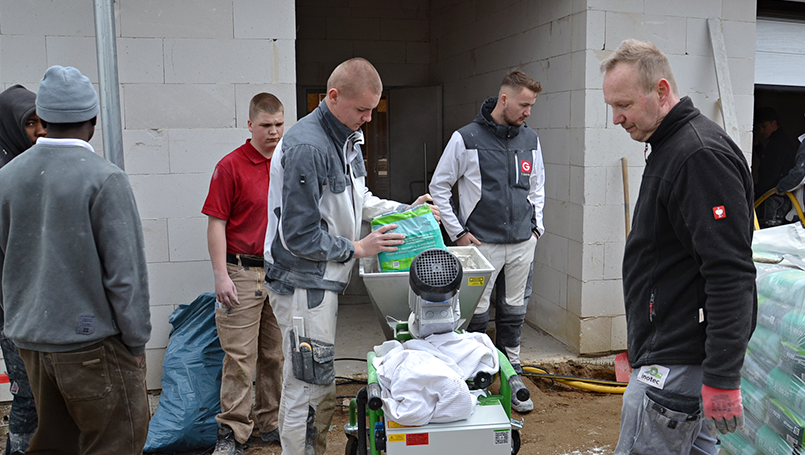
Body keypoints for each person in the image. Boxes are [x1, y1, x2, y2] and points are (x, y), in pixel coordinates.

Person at [264, 57, 438, 455]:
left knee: (316, 380)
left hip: (322, 280)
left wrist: (407, 211)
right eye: (362, 110)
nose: (368, 120)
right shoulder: (308, 146)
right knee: (308, 384)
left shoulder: (347, 138)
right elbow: (298, 234)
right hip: (302, 282)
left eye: (371, 111)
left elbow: (358, 201)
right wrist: (357, 248)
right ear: (334, 96)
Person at [601, 40, 756, 455]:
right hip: (674, 354)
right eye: (611, 106)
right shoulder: (670, 147)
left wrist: (723, 377)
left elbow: (729, 272)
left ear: (662, 91)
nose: (616, 118)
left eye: (624, 105)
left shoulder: (697, 156)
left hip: (676, 364)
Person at [0, 66, 151, 454]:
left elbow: (7, 260)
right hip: (91, 347)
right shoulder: (104, 179)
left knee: (54, 443)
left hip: (31, 344)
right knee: (117, 440)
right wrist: (136, 342)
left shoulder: (8, 177)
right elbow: (125, 276)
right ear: (94, 120)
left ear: (43, 119)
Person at [429, 69, 545, 413]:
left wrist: (537, 229)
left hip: (522, 240)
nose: (528, 112)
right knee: (476, 312)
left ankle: (513, 368)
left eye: (532, 106)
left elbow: (537, 186)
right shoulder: (465, 138)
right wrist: (459, 233)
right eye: (524, 105)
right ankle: (477, 373)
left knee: (514, 308)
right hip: (481, 244)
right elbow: (439, 187)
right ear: (504, 99)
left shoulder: (531, 139)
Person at [202, 92, 285, 455]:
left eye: (280, 124)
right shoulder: (230, 166)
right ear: (250, 125)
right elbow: (216, 224)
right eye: (266, 125)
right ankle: (233, 432)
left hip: (281, 272)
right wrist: (221, 275)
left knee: (276, 354)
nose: (274, 132)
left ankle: (270, 424)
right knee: (239, 358)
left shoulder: (287, 161)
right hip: (241, 271)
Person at [0, 84, 45, 455]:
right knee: (29, 393)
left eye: (42, 121)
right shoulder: (7, 174)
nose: (39, 131)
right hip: (10, 305)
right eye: (30, 123)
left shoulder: (33, 165)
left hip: (33, 302)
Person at [754, 107, 797, 226]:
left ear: (774, 123)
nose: (762, 130)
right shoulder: (776, 142)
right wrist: (758, 147)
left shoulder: (779, 143)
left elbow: (772, 171)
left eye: (764, 126)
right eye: (759, 128)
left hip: (775, 196)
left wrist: (758, 191)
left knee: (770, 229)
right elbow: (768, 161)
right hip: (773, 195)